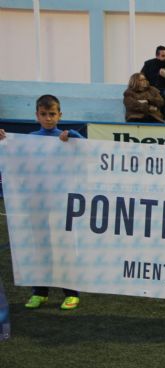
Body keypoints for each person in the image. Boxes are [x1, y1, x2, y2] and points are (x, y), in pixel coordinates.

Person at [0, 95, 83, 310]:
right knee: (40, 247)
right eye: (44, 114)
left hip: (61, 203)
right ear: (36, 116)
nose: (48, 118)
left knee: (64, 246)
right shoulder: (30, 139)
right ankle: (40, 292)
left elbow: (85, 147)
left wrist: (72, 135)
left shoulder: (66, 137)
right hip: (36, 202)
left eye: (52, 114)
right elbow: (14, 160)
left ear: (59, 115)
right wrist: (4, 142)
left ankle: (71, 293)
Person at [140, 45, 165, 117]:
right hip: (150, 88)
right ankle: (146, 117)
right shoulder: (148, 64)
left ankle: (162, 117)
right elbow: (141, 77)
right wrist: (146, 85)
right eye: (163, 56)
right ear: (157, 56)